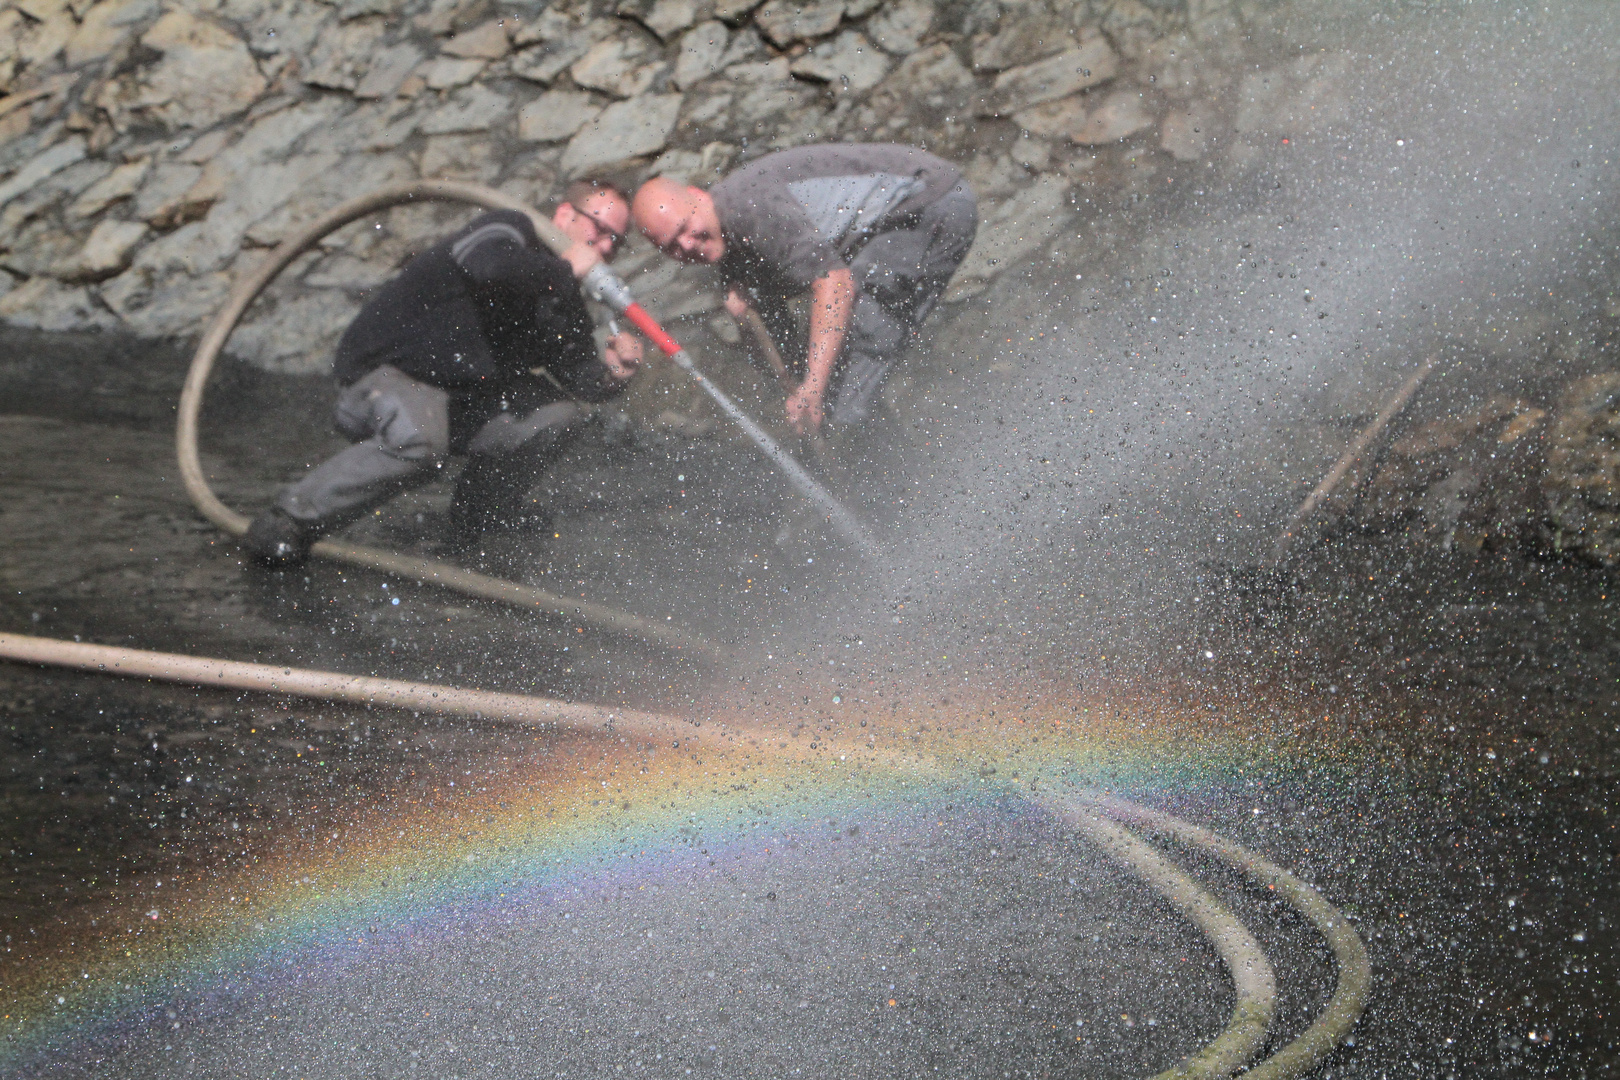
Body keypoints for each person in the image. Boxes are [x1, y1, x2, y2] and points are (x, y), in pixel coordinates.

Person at [244, 180, 644, 567]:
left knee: (558, 417)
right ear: (563, 214)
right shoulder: (510, 228)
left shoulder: (562, 295)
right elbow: (488, 266)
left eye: (616, 241)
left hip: (463, 399)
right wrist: (561, 270)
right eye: (600, 228)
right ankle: (289, 520)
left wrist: (615, 373)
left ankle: (482, 516)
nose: (606, 246)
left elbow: (581, 377)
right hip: (387, 377)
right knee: (420, 441)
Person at [631, 144, 975, 435]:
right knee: (834, 384)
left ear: (696, 196)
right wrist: (751, 327)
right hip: (890, 222)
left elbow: (834, 283)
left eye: (686, 228)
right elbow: (779, 351)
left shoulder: (747, 206)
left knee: (855, 352)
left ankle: (876, 482)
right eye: (672, 246)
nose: (688, 245)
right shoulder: (730, 251)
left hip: (927, 204)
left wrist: (812, 388)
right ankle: (875, 470)